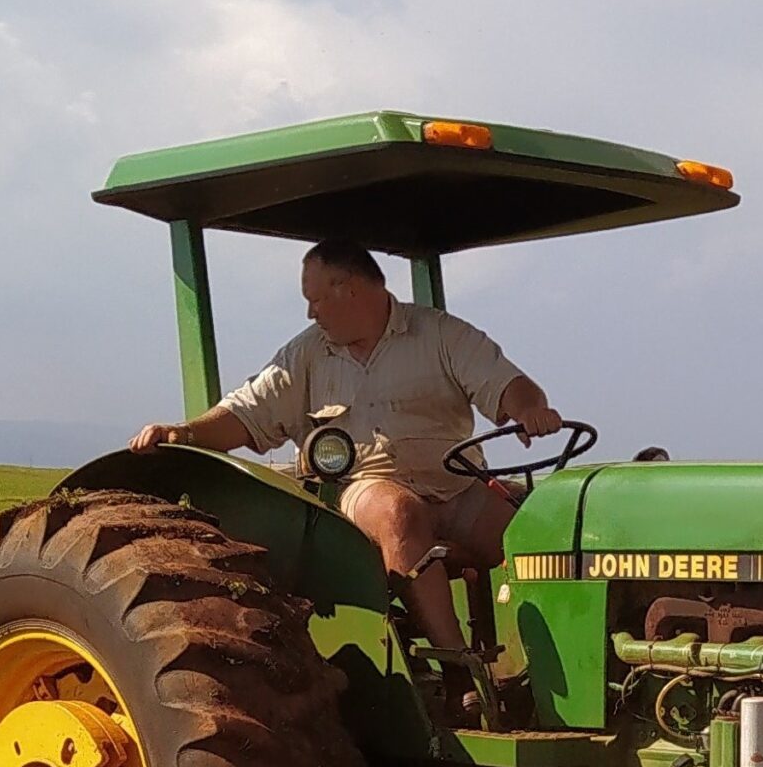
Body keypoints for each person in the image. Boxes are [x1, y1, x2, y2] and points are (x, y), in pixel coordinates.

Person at [129, 239, 562, 653]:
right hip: (365, 489)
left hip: (455, 485)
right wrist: (181, 434)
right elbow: (244, 415)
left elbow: (508, 383)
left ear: (349, 289)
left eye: (315, 299)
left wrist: (528, 411)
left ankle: (549, 673)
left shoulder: (440, 335)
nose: (310, 312)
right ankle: (463, 670)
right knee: (400, 513)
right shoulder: (305, 356)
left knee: (535, 539)